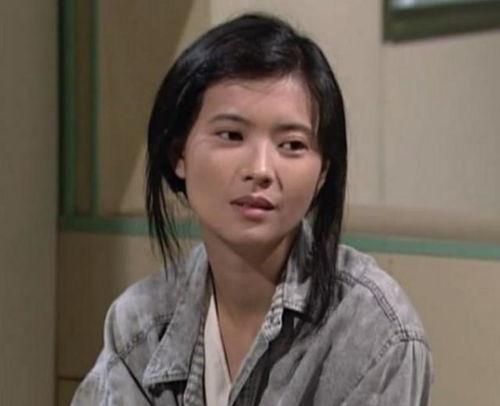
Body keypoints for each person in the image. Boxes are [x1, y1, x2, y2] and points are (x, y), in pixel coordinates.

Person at [72, 13, 432, 406]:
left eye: (292, 145)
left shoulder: (373, 328)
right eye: (232, 135)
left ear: (323, 173)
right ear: (179, 154)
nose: (260, 170)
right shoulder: (140, 324)